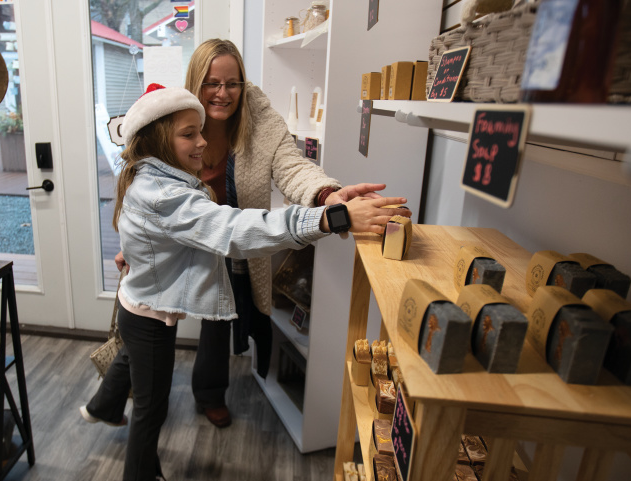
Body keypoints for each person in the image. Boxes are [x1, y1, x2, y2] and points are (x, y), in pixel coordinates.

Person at [82, 84, 402, 481]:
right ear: (160, 139)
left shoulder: (150, 173)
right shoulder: (166, 194)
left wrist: (140, 249)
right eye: (189, 135)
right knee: (151, 405)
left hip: (136, 300)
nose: (201, 142)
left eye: (201, 132)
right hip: (149, 316)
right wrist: (329, 218)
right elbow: (232, 230)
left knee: (131, 362)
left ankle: (102, 406)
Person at [116, 38, 411, 428]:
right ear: (195, 84)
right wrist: (142, 244)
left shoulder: (259, 117)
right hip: (194, 230)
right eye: (212, 83)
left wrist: (328, 196)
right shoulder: (175, 117)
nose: (223, 93)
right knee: (150, 322)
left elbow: (291, 166)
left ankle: (204, 393)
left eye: (233, 83)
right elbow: (143, 183)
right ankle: (122, 397)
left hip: (236, 231)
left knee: (219, 317)